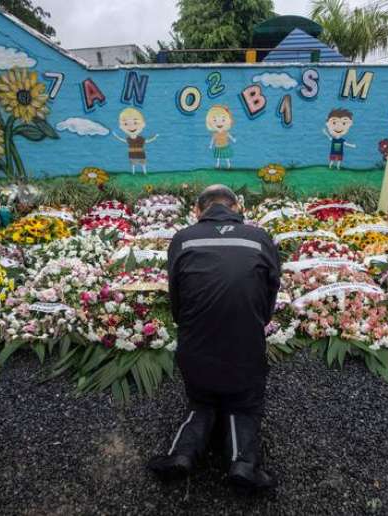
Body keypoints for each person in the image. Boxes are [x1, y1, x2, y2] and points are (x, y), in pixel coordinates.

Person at [148, 185, 281, 489]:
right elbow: (268, 298)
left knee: (202, 401)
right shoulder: (260, 238)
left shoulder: (183, 239)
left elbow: (177, 303)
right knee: (243, 404)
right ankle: (243, 464)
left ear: (198, 211)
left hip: (195, 354)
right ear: (237, 208)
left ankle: (182, 454)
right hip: (245, 351)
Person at [112, 107, 158, 174]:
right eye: (125, 124)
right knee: (133, 164)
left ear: (143, 124)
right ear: (121, 126)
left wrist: (154, 137)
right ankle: (133, 173)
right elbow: (123, 140)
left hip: (141, 154)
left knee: (143, 164)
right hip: (132, 154)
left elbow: (147, 141)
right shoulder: (128, 139)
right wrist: (116, 136)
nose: (131, 126)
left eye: (135, 122)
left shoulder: (141, 138)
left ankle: (144, 173)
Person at [206, 105, 236, 169]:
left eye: (223, 120)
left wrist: (233, 139)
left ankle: (228, 165)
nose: (219, 123)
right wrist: (211, 145)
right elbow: (213, 139)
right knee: (218, 157)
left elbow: (229, 136)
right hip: (218, 146)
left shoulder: (225, 132)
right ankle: (217, 165)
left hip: (225, 145)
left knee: (226, 156)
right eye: (214, 120)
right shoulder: (215, 134)